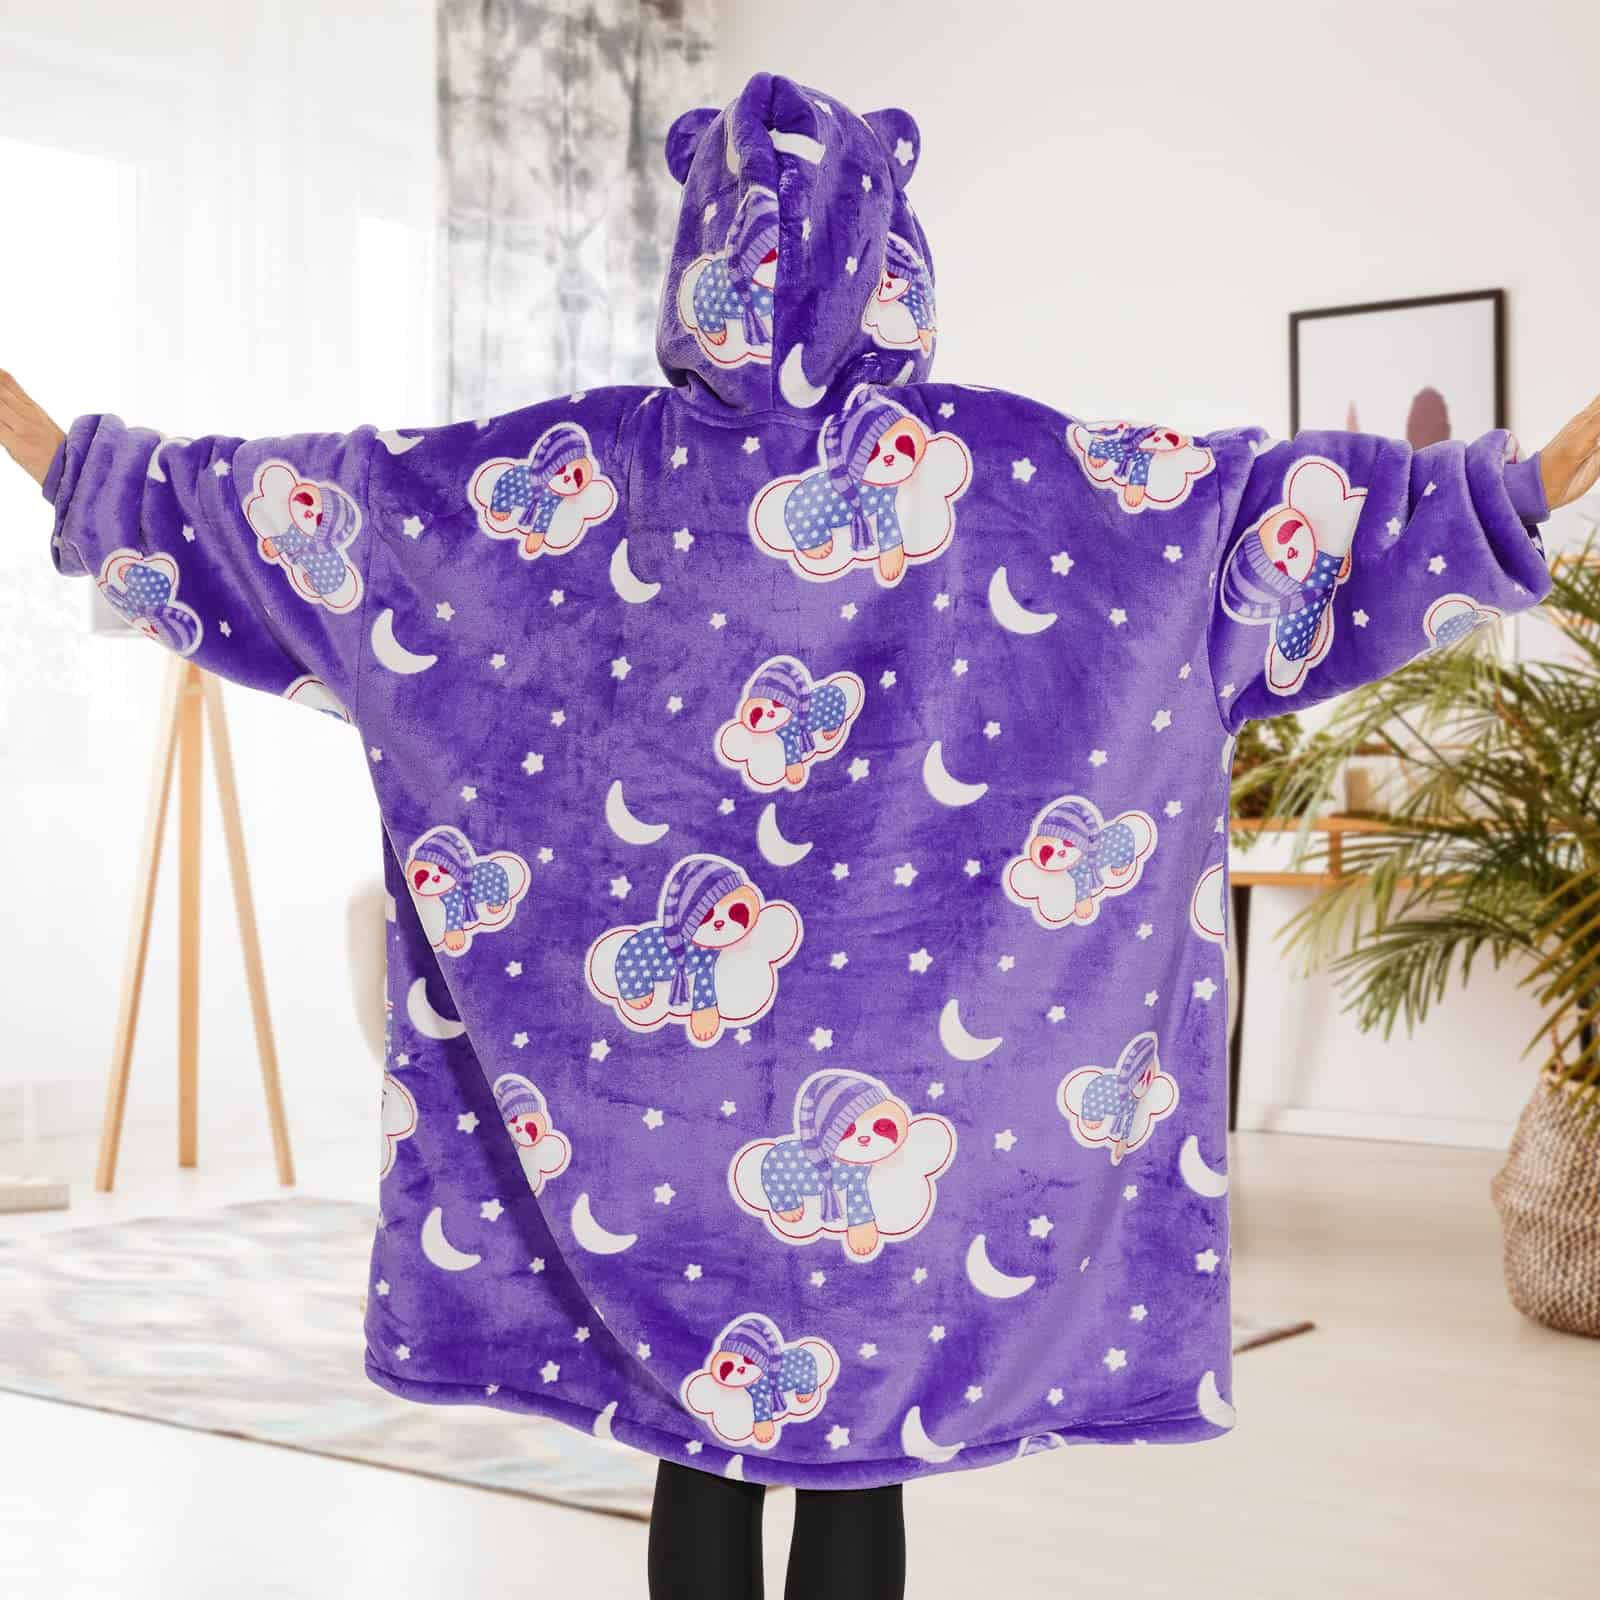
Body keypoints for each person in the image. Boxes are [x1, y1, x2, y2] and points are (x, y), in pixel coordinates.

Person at [5, 68, 1599, 1600]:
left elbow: (319, 523)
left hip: (653, 1111)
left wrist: (77, 463)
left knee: (697, 1453)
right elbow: (1273, 525)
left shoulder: (582, 476)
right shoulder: (1014, 478)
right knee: (861, 1457)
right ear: (897, 251)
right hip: (900, 1107)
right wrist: (1506, 492)